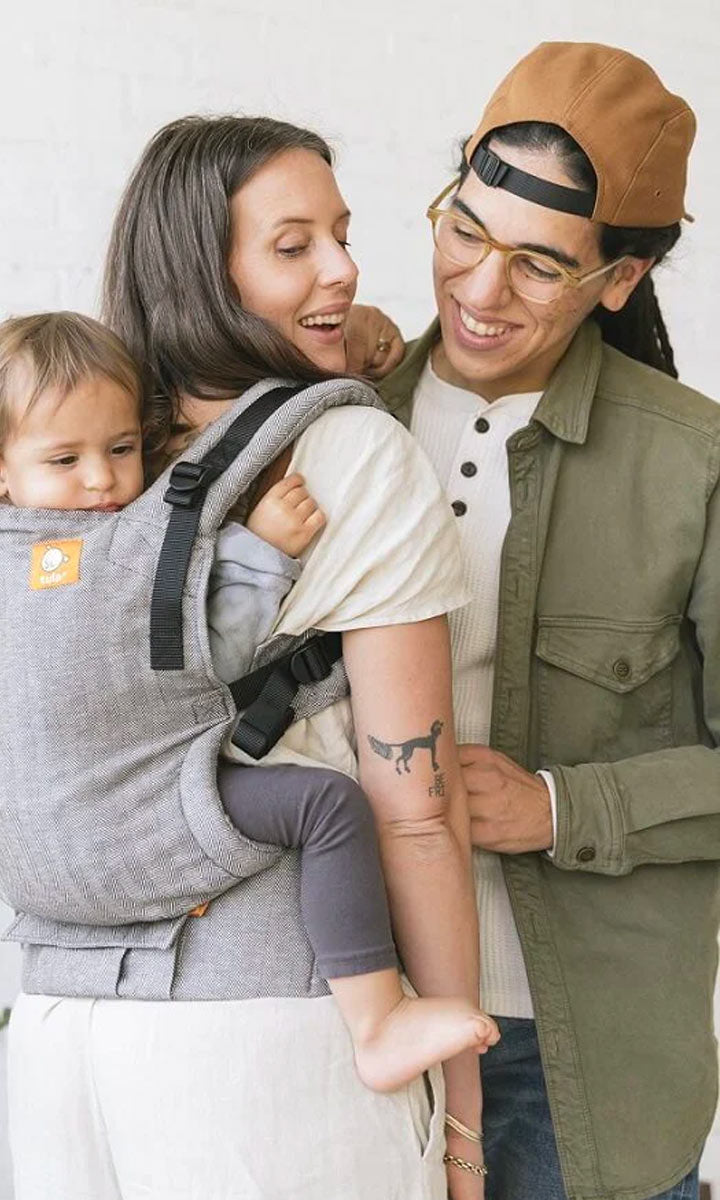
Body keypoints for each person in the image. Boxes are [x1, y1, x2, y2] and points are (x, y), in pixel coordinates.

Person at [3, 119, 490, 1200]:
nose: (344, 266)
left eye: (344, 235)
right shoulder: (351, 450)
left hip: (59, 1027)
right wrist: (460, 1114)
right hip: (263, 1032)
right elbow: (414, 807)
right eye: (293, 245)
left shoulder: (92, 447)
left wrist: (351, 329)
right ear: (203, 270)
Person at [0, 309, 497, 1094]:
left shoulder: (8, 553)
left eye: (121, 449)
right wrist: (262, 552)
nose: (103, 480)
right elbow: (200, 661)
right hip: (141, 809)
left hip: (48, 858)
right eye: (66, 459)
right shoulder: (88, 557)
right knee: (328, 808)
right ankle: (378, 1020)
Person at [373, 40, 718, 1200]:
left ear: (620, 280)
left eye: (537, 266)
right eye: (464, 230)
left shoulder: (693, 465)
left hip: (572, 1065)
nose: (477, 290)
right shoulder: (337, 421)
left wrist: (564, 806)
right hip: (349, 1030)